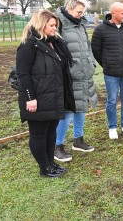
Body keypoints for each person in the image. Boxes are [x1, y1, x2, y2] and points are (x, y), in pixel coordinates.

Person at [16, 10, 75, 177]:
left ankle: (51, 163)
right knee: (39, 134)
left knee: (51, 132)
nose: (54, 28)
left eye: (55, 25)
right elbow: (23, 74)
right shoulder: (29, 44)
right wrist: (30, 98)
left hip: (54, 96)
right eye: (51, 25)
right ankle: (44, 168)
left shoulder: (54, 42)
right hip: (38, 98)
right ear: (41, 24)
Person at [54, 0, 98, 162]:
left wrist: (91, 63)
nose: (81, 15)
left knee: (82, 107)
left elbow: (87, 46)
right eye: (79, 11)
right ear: (69, 8)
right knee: (67, 111)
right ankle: (57, 146)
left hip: (84, 74)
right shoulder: (57, 24)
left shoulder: (79, 24)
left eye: (82, 12)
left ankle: (78, 140)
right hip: (68, 77)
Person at [91, 2, 123, 140]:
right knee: (112, 100)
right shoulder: (100, 30)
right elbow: (96, 51)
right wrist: (106, 64)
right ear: (113, 13)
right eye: (122, 13)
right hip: (111, 73)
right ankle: (112, 127)